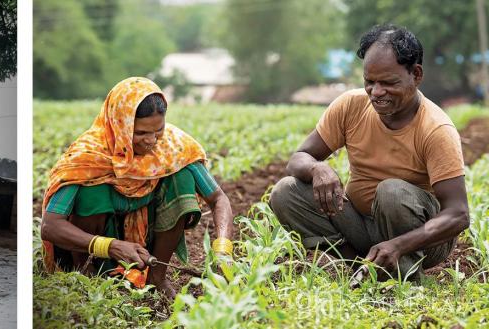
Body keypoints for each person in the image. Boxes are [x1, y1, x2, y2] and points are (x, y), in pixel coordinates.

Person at [269, 25, 469, 280]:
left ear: (416, 74)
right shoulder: (350, 106)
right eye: (369, 82)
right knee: (286, 192)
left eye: (388, 82)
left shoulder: (435, 129)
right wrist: (317, 167)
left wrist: (399, 245)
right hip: (360, 226)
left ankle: (402, 274)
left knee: (391, 192)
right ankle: (361, 266)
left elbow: (458, 214)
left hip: (420, 240)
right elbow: (299, 158)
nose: (376, 92)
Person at [40, 77, 234, 297]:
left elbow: (219, 199)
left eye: (158, 130)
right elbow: (50, 226)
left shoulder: (174, 147)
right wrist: (111, 245)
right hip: (93, 245)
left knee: (182, 176)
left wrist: (222, 251)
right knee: (90, 191)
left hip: (146, 246)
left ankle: (156, 277)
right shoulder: (89, 157)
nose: (151, 141)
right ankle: (87, 276)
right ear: (119, 125)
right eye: (140, 133)